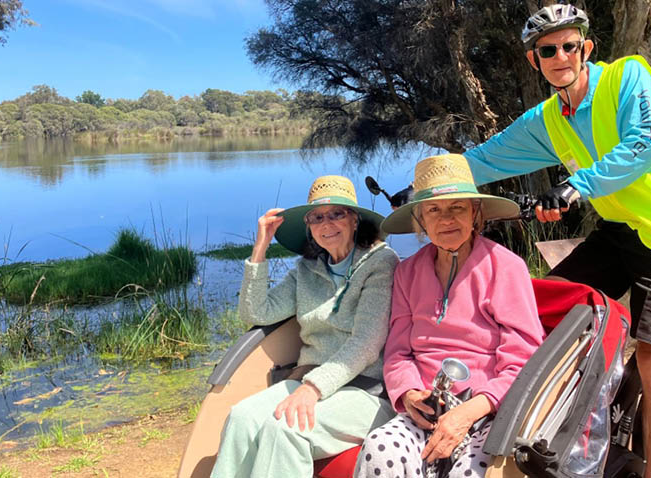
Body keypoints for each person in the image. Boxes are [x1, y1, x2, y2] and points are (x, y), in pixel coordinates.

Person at [462, 5, 651, 478]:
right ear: (533, 60)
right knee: (541, 311)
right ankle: (564, 426)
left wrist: (576, 185)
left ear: (587, 48)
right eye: (548, 49)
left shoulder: (627, 77)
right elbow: (485, 159)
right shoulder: (549, 118)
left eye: (569, 45)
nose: (560, 55)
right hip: (624, 232)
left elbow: (646, 144)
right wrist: (428, 187)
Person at [354, 154, 544, 478]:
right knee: (379, 449)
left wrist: (469, 413)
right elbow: (398, 352)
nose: (446, 219)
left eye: (457, 207)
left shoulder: (506, 267)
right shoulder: (407, 273)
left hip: (489, 409)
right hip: (426, 408)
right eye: (434, 210)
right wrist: (410, 394)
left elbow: (525, 359)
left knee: (468, 472)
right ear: (420, 221)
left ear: (475, 213)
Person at [211, 175, 400, 478]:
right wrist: (260, 249)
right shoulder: (307, 269)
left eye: (337, 214)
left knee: (286, 429)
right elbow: (256, 312)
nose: (327, 224)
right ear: (309, 227)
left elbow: (367, 342)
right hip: (310, 382)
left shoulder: (381, 263)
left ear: (355, 220)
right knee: (242, 417)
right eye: (317, 217)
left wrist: (313, 388)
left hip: (367, 390)